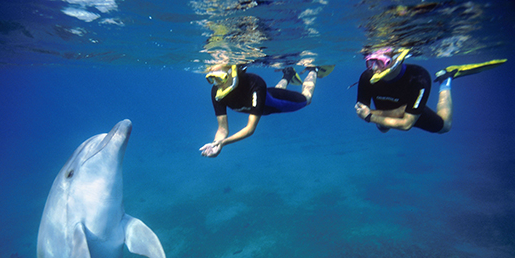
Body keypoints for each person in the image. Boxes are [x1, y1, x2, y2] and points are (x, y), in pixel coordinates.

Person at [354, 47, 506, 134]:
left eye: (380, 63)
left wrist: (370, 116)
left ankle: (446, 79)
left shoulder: (418, 77)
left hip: (410, 107)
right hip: (395, 107)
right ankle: (394, 114)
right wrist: (396, 112)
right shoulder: (366, 77)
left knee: (445, 127)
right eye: (370, 63)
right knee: (383, 128)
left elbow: (406, 124)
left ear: (397, 60)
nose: (375, 70)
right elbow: (361, 110)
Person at [200, 63, 333, 157]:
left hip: (276, 103)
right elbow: (222, 129)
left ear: (231, 72)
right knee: (275, 91)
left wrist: (223, 143)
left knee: (307, 99)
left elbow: (250, 129)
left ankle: (313, 69)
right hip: (264, 98)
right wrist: (215, 143)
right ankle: (288, 74)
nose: (216, 83)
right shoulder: (217, 92)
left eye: (219, 77)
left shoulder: (254, 83)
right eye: (211, 78)